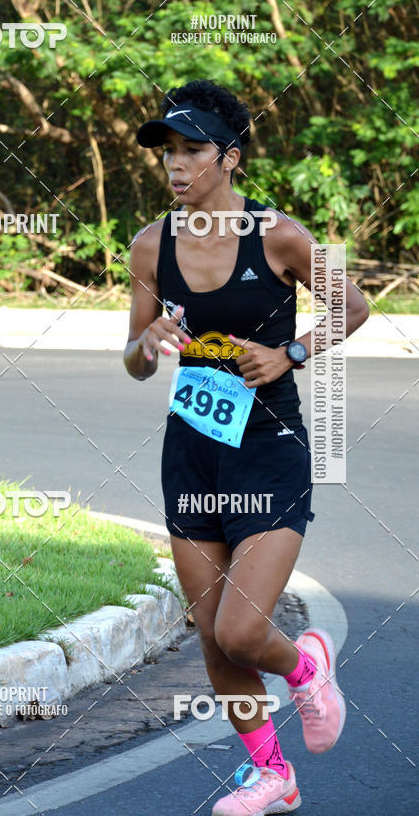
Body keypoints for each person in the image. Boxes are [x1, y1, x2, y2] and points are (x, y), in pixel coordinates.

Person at [123, 79, 369, 815]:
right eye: (167, 152)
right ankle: (272, 774)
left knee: (242, 628)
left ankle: (307, 666)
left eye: (191, 149)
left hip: (269, 447)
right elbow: (133, 362)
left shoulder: (278, 236)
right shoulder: (148, 245)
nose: (175, 165)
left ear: (228, 158)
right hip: (192, 450)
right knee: (211, 636)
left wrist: (291, 353)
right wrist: (147, 340)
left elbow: (353, 305)